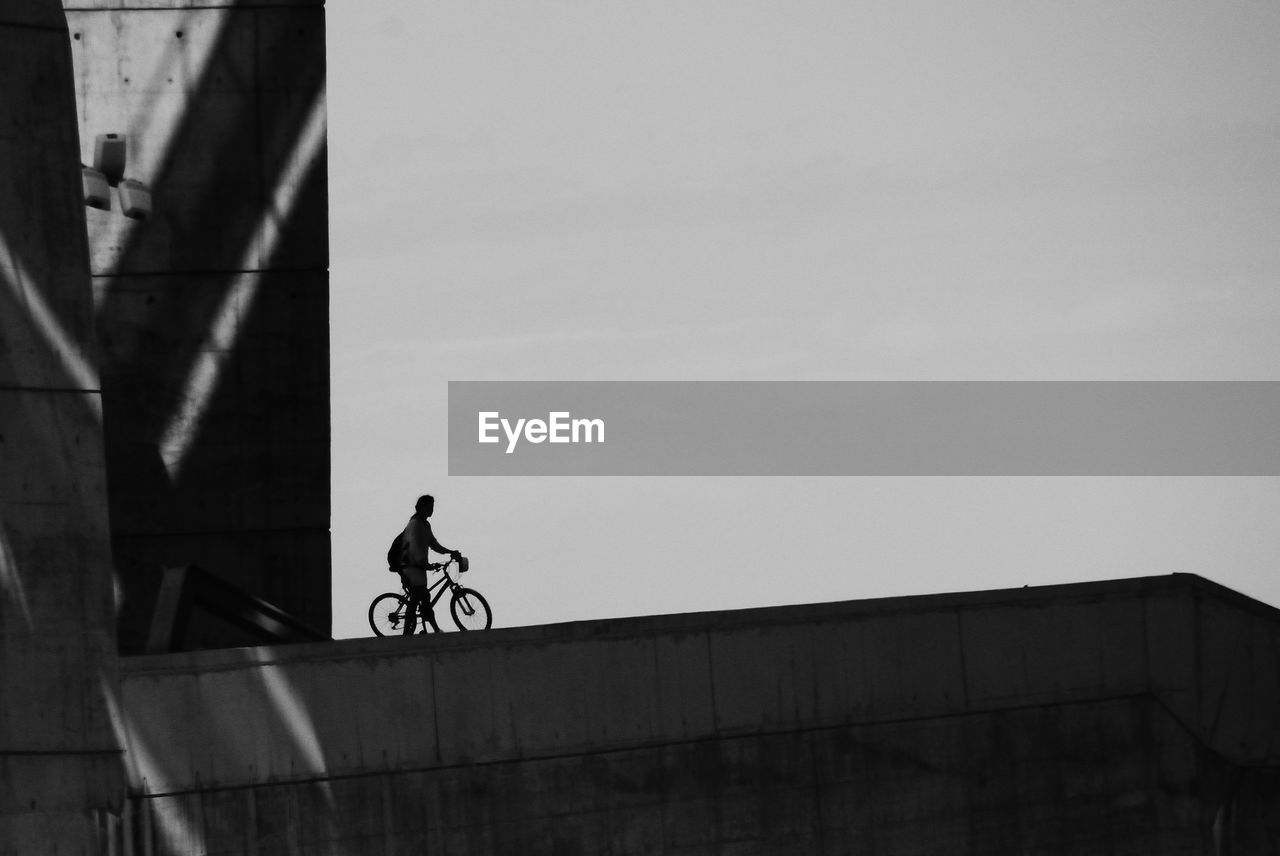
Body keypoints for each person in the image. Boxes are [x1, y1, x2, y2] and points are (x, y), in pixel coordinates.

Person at [396, 494, 462, 634]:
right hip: (410, 567)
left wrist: (449, 551)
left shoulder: (425, 524)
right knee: (421, 598)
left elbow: (433, 543)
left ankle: (417, 631)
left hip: (419, 568)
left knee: (421, 599)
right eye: (429, 507)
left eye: (432, 507)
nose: (431, 510)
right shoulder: (414, 524)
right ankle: (428, 630)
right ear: (421, 507)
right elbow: (411, 546)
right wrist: (422, 563)